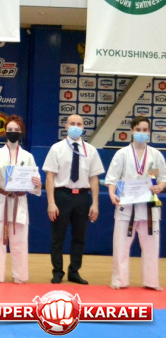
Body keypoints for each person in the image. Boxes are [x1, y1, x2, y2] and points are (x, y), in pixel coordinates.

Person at [104, 116, 166, 290]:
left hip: (149, 207)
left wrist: (160, 186)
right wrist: (111, 193)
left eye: (145, 130)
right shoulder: (122, 154)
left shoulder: (156, 154)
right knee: (121, 246)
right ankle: (119, 281)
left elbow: (163, 178)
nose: (141, 133)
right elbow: (112, 178)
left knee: (151, 247)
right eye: (138, 129)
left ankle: (151, 282)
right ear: (131, 131)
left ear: (149, 132)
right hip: (126, 206)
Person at [0, 115, 42, 284]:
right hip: (1, 198)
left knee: (19, 241)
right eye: (10, 129)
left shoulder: (28, 156)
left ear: (21, 132)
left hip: (19, 201)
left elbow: (34, 179)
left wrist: (36, 183)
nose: (13, 132)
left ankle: (19, 275)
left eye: (16, 130)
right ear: (5, 131)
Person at [43, 114, 104, 285]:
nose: (75, 126)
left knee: (79, 237)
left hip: (82, 197)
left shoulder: (90, 150)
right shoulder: (56, 148)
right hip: (61, 195)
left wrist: (95, 203)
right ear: (66, 126)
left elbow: (94, 178)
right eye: (72, 123)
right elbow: (50, 177)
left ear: (83, 127)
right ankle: (57, 272)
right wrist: (51, 202)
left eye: (79, 124)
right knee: (58, 237)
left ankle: (74, 271)